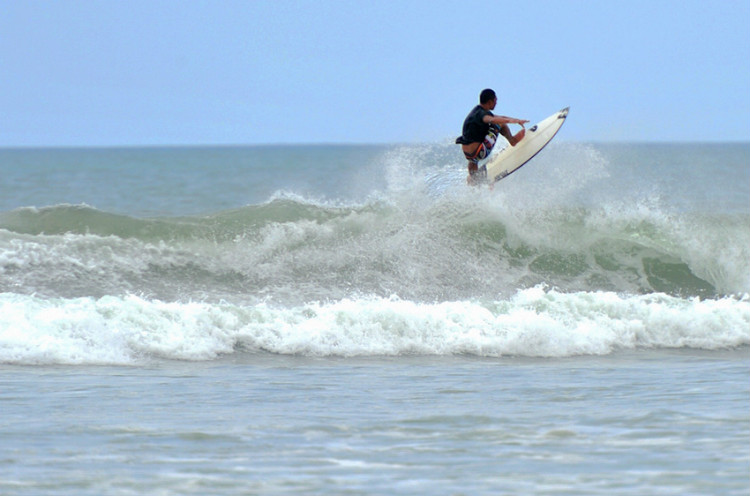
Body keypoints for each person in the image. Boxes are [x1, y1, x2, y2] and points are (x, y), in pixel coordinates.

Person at [456, 88, 528, 184]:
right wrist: (513, 121)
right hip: (479, 152)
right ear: (490, 102)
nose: (496, 103)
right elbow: (492, 120)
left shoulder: (476, 112)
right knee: (499, 123)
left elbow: (500, 117)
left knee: (473, 158)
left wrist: (515, 119)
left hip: (469, 155)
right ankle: (513, 140)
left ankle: (474, 179)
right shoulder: (483, 115)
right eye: (495, 101)